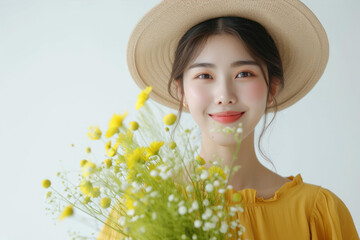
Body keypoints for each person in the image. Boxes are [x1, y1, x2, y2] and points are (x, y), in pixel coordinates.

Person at [98, 0, 359, 239]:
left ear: (273, 88)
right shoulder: (142, 209)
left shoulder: (319, 213)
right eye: (204, 76)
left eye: (244, 74)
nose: (224, 95)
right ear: (182, 92)